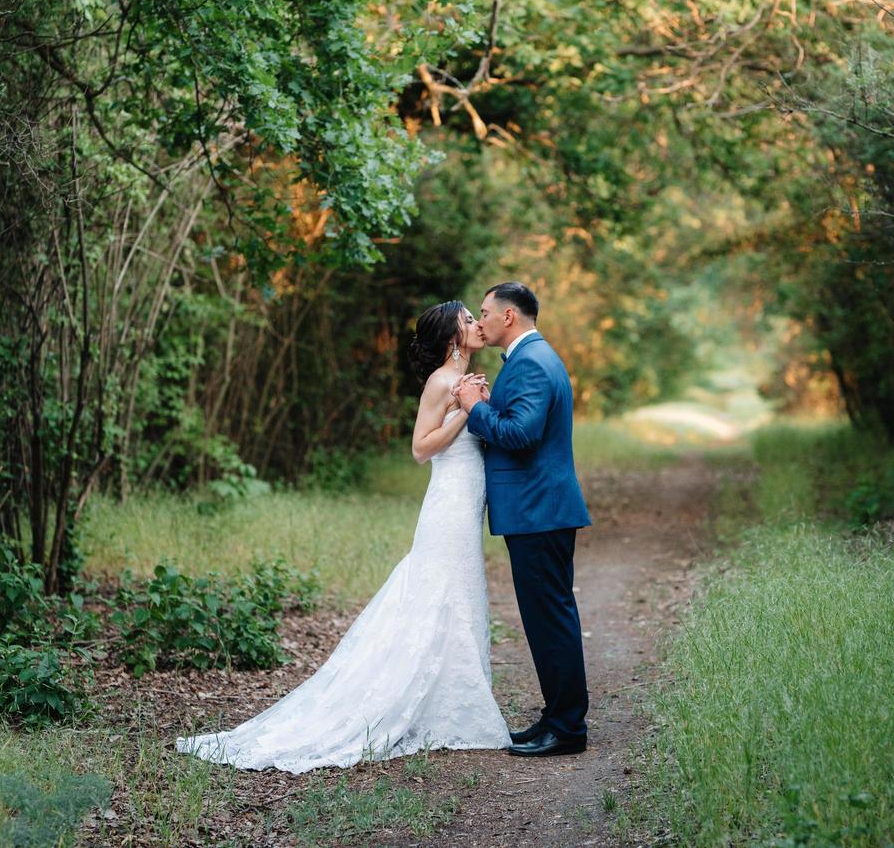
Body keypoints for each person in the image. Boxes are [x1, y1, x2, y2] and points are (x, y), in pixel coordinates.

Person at [175, 301, 510, 774]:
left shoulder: (466, 379)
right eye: (467, 320)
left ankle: (453, 701)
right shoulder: (441, 381)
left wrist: (476, 403)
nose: (476, 324)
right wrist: (467, 412)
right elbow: (420, 449)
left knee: (458, 593)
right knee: (440, 591)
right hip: (448, 503)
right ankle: (425, 705)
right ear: (453, 338)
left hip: (466, 500)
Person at [453, 281, 591, 757]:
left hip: (540, 511)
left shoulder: (531, 361)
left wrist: (475, 409)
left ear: (508, 317)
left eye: (486, 313)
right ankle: (556, 717)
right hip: (537, 511)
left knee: (550, 619)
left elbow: (520, 434)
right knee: (545, 618)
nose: (480, 321)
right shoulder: (531, 357)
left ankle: (568, 729)